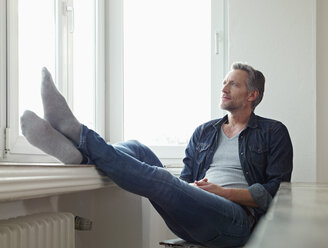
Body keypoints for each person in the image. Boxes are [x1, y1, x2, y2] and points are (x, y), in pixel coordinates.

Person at [20, 62, 293, 248]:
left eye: (233, 84)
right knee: (137, 147)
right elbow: (186, 180)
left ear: (252, 95)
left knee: (163, 178)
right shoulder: (204, 132)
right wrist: (194, 192)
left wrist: (223, 193)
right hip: (192, 213)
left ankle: (80, 139)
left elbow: (275, 193)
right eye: (223, 82)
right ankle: (81, 155)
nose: (223, 88)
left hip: (235, 220)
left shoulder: (273, 132)